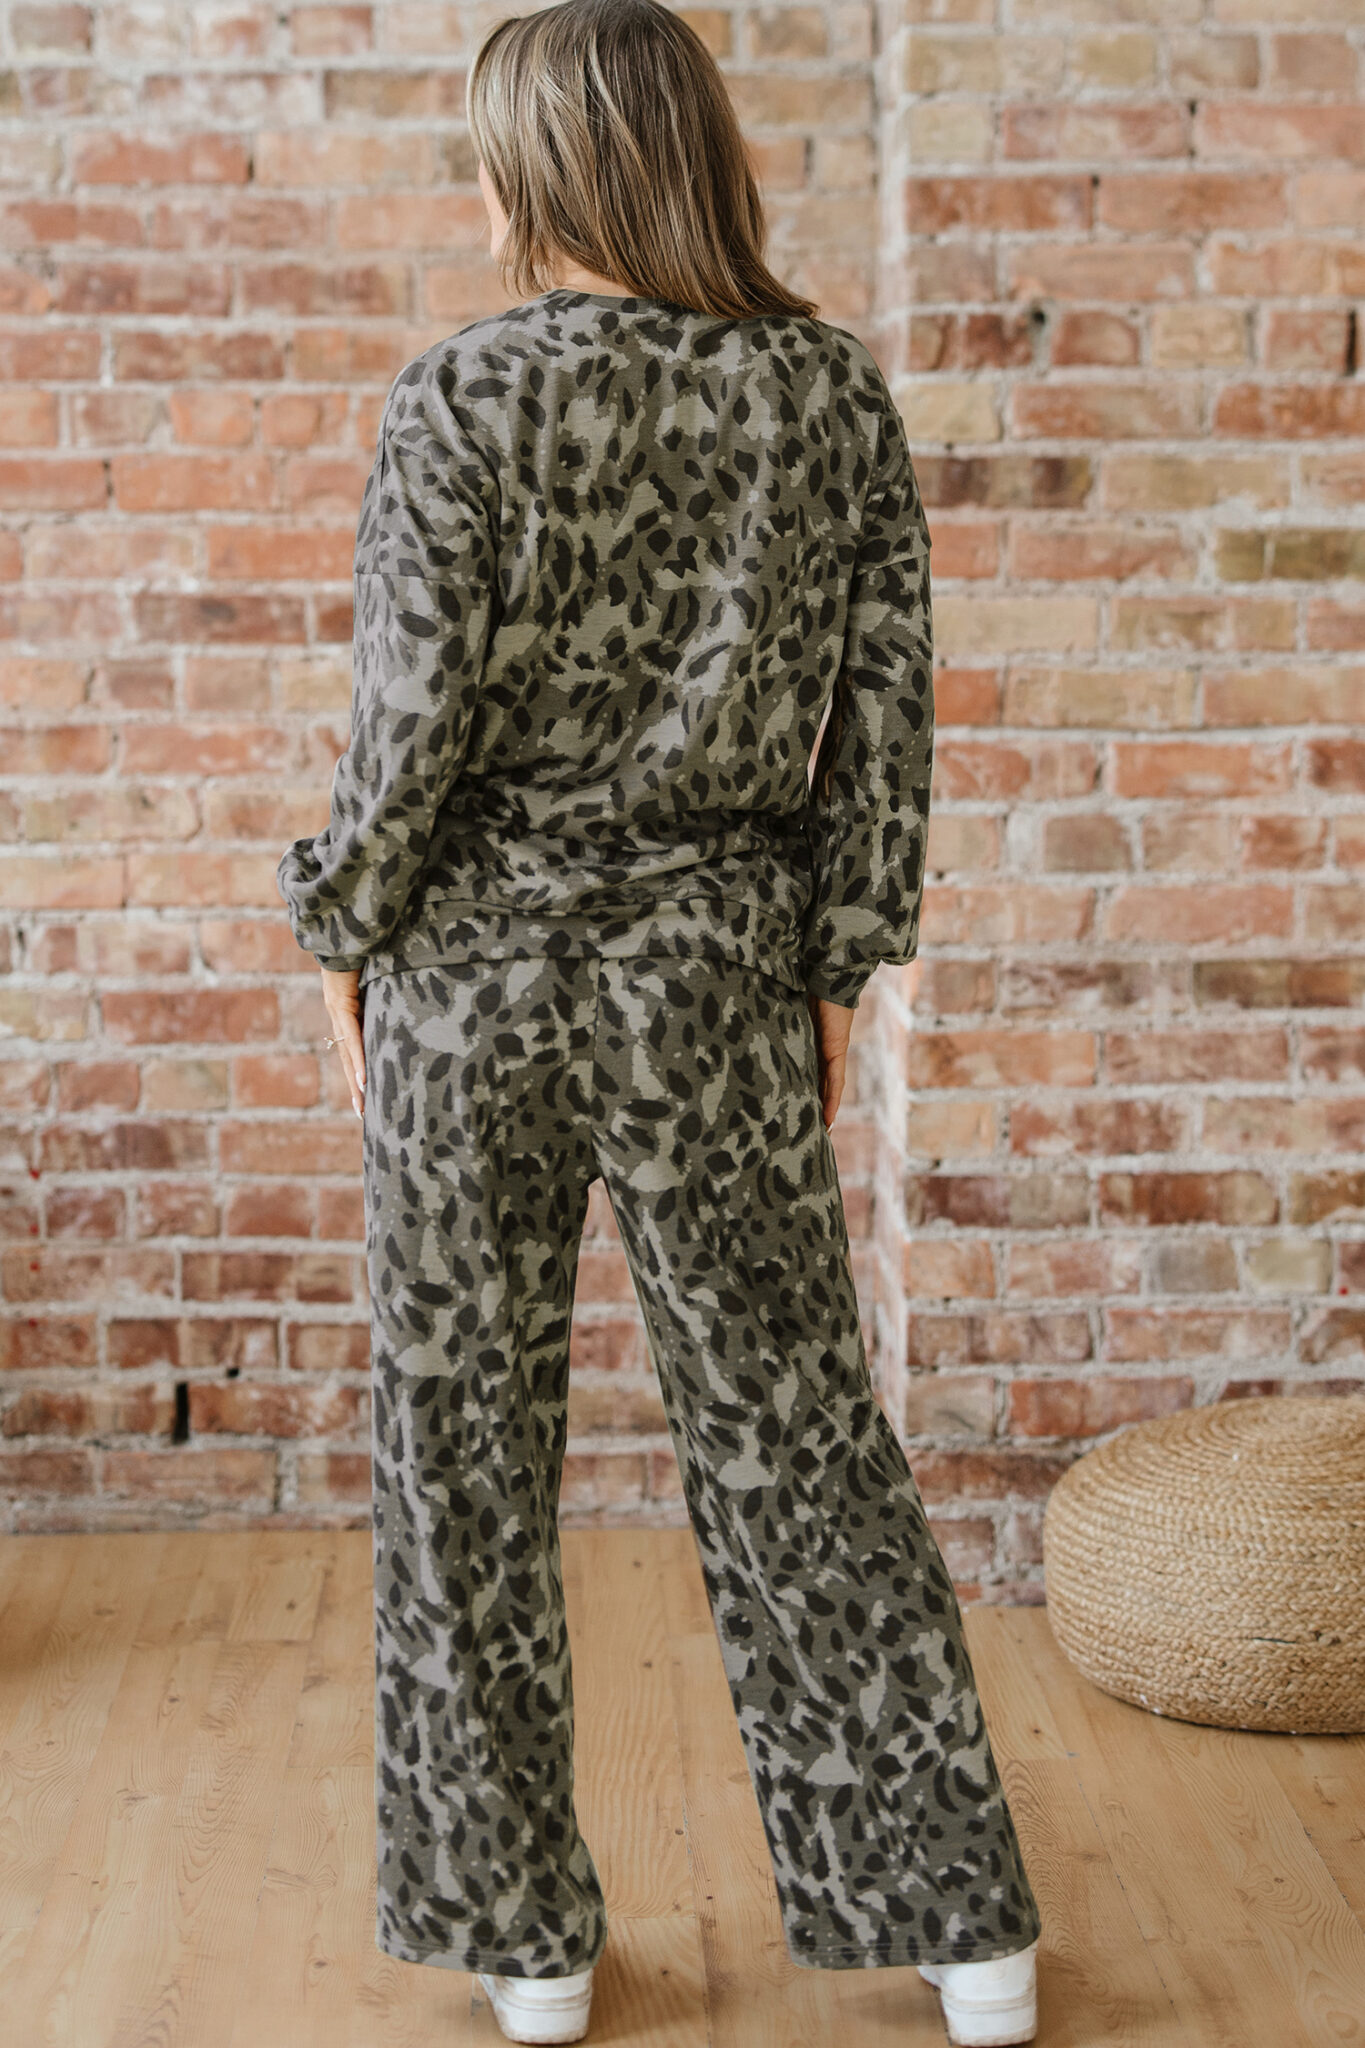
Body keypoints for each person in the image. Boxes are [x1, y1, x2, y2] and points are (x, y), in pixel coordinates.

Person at [276, 1, 1043, 2041]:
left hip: (472, 979)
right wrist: (831, 967)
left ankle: (523, 1947)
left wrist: (340, 936)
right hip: (712, 972)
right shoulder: (827, 394)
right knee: (799, 1442)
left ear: (542, 167)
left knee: (458, 1452)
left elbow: (405, 736)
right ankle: (967, 1938)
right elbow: (881, 730)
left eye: (493, 151)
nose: (480, 182)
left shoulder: (458, 399)